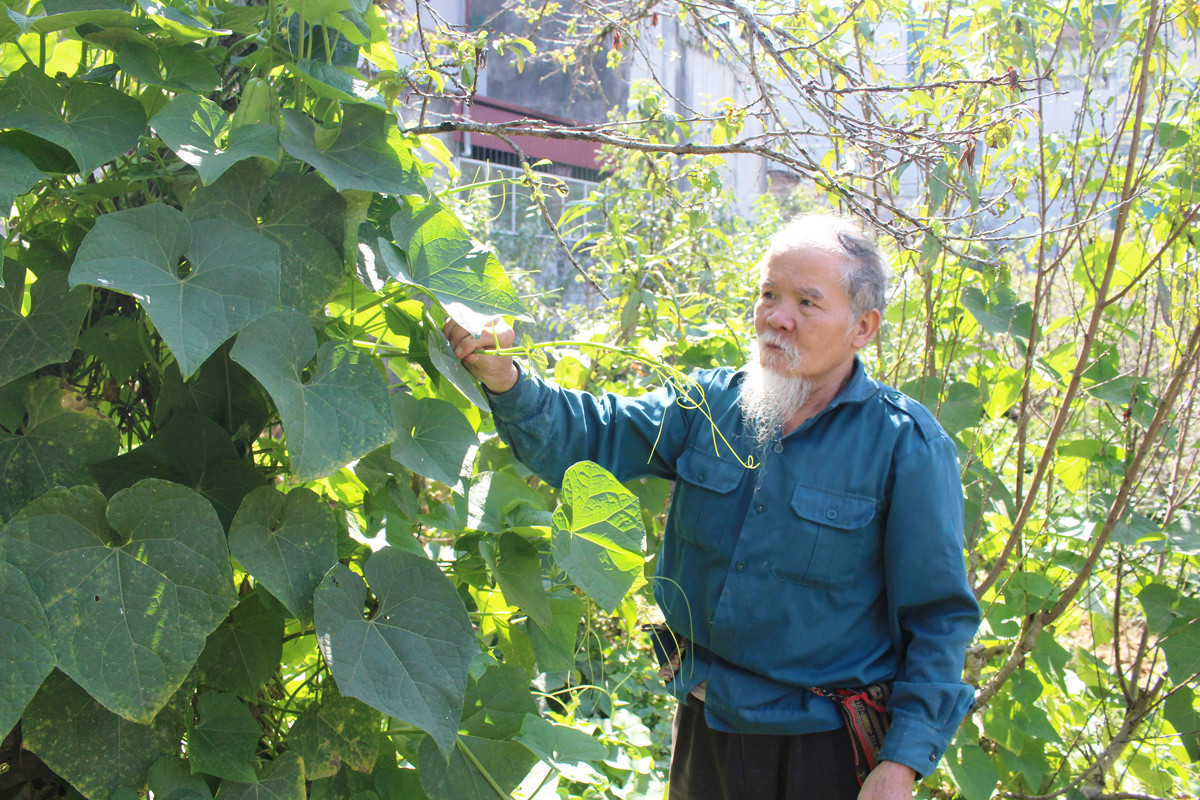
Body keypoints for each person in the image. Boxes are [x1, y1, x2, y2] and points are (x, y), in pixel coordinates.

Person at [443, 213, 980, 800]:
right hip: (704, 722)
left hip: (822, 746)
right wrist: (507, 378)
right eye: (769, 294)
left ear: (863, 327)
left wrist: (901, 761)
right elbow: (594, 433)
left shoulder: (905, 446)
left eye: (807, 302)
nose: (777, 317)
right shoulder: (711, 405)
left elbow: (937, 617)